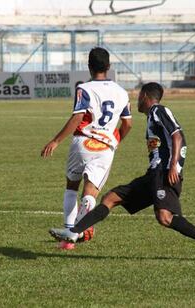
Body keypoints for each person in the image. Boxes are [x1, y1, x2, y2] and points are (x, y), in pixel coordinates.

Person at [50, 82, 195, 262]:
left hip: (163, 174)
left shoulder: (158, 111)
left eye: (139, 96)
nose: (137, 100)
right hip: (152, 175)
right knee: (110, 198)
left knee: (165, 217)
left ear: (146, 97)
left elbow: (178, 135)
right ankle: (74, 232)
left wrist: (174, 166)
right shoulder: (152, 117)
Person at [41, 47, 132, 250]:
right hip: (105, 147)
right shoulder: (121, 92)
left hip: (82, 143)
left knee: (71, 187)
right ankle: (78, 230)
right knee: (90, 193)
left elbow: (78, 117)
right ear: (109, 66)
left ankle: (68, 238)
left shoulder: (85, 88)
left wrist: (56, 141)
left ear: (89, 66)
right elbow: (127, 124)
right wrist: (115, 141)